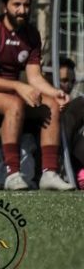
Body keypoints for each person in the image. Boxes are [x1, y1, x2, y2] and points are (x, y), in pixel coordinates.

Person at [0, 0, 74, 191]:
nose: (22, 10)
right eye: (16, 5)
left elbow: (34, 78)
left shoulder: (31, 34)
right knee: (14, 104)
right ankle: (12, 174)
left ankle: (49, 173)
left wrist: (56, 92)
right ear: (4, 6)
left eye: (26, 5)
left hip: (12, 89)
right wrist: (18, 86)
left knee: (50, 105)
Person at [57, 57, 84, 189]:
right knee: (80, 103)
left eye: (72, 81)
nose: (69, 85)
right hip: (49, 150)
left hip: (71, 150)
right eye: (64, 80)